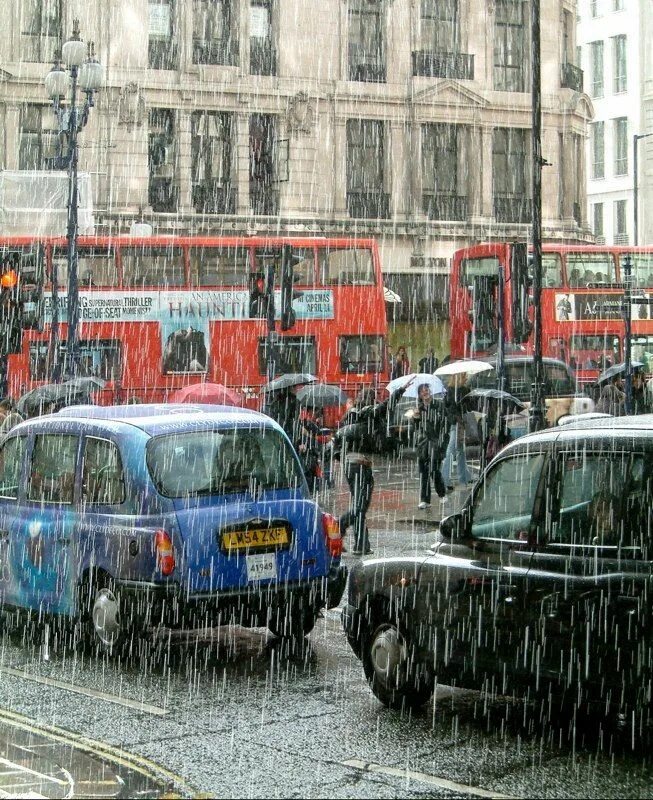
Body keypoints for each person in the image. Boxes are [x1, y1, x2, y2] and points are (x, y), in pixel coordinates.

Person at [331, 432, 374, 556]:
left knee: (359, 507)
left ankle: (361, 544)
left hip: (350, 465)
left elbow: (335, 450)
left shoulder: (345, 429)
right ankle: (339, 527)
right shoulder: (366, 425)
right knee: (360, 507)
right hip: (360, 465)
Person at [414, 383, 450, 509]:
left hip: (436, 443)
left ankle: (442, 494)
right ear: (419, 395)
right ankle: (425, 500)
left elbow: (446, 426)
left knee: (434, 470)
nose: (425, 392)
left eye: (427, 390)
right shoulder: (419, 409)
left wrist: (442, 445)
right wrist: (416, 418)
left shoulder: (439, 406)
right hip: (423, 444)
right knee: (423, 472)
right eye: (422, 391)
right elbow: (417, 429)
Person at [441, 373, 471, 490]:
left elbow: (468, 406)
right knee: (452, 450)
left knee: (460, 450)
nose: (466, 379)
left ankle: (464, 477)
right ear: (458, 378)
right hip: (456, 424)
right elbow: (449, 409)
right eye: (464, 376)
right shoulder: (450, 391)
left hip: (462, 423)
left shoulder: (464, 390)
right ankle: (445, 478)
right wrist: (458, 418)